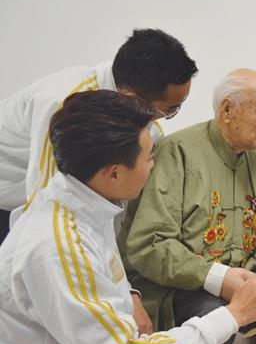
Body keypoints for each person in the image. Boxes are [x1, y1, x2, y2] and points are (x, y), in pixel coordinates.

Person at [0, 90, 256, 344]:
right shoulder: (59, 248)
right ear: (114, 174)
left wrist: (130, 296)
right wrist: (234, 314)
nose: (154, 165)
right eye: (148, 158)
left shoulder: (83, 200)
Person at [118, 69, 256, 344]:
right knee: (214, 316)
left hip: (241, 277)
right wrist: (220, 278)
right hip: (178, 286)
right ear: (227, 109)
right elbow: (150, 244)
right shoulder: (177, 152)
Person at [0, 28, 197, 241]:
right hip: (12, 204)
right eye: (170, 110)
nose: (164, 118)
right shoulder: (63, 107)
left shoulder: (139, 114)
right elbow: (44, 204)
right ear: (133, 98)